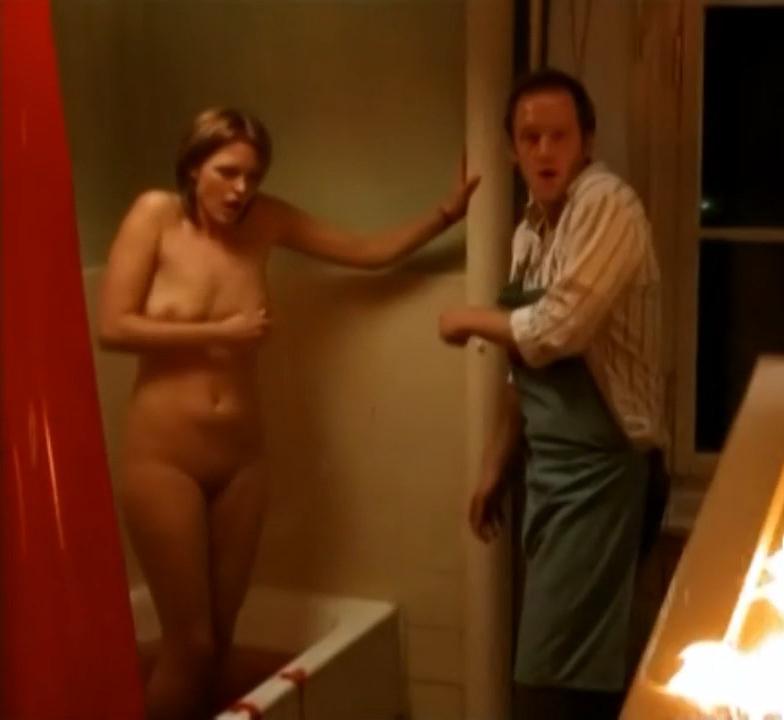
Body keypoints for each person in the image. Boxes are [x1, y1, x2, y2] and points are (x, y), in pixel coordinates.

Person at [97, 107, 478, 720]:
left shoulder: (265, 220)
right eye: (227, 172)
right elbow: (113, 327)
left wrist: (446, 214)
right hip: (164, 458)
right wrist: (219, 332)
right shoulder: (155, 216)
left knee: (220, 641)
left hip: (242, 459)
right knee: (191, 645)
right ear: (193, 167)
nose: (241, 189)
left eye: (252, 176)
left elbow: (366, 251)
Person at [437, 68, 664, 719]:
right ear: (512, 149)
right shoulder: (530, 231)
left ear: (587, 141)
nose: (544, 151)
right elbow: (523, 366)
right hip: (550, 472)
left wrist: (467, 317)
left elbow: (557, 329)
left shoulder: (606, 204)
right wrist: (495, 463)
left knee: (554, 681)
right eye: (529, 137)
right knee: (568, 670)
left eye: (559, 136)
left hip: (604, 470)